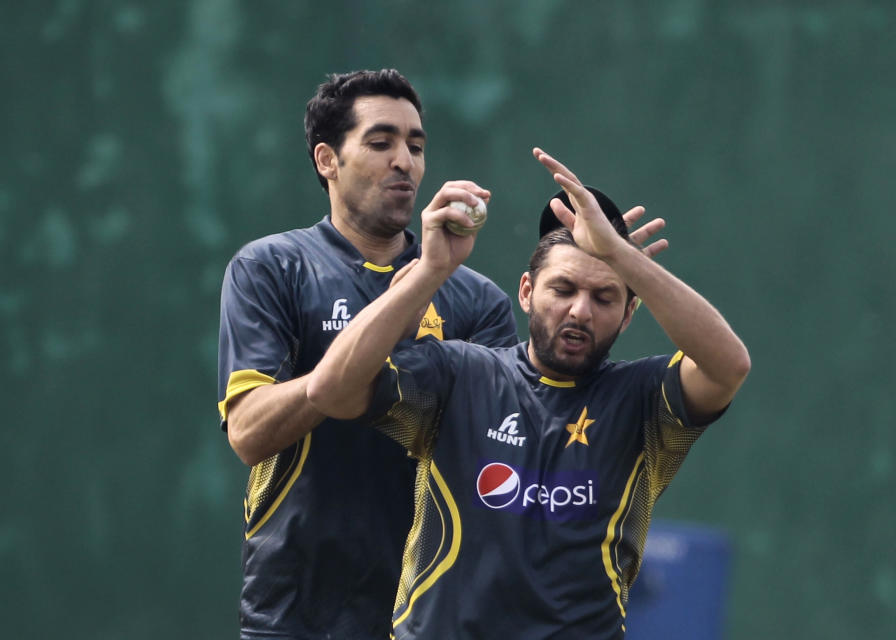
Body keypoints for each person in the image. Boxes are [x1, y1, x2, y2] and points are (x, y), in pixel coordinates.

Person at [306, 147, 751, 639]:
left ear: (628, 315)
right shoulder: (459, 372)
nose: (581, 310)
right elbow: (330, 390)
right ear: (526, 292)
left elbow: (728, 366)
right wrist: (431, 270)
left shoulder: (643, 398)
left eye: (604, 297)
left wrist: (619, 255)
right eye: (563, 290)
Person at [216, 69, 522, 640]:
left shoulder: (479, 301)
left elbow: (499, 458)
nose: (404, 161)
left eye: (416, 145)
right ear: (327, 160)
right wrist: (423, 278)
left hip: (433, 615)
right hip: (296, 611)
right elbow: (250, 433)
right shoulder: (270, 268)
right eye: (381, 143)